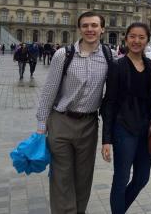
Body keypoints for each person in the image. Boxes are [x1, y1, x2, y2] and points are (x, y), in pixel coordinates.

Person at [36, 11, 112, 213]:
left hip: (89, 124)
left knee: (84, 176)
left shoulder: (107, 55)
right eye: (85, 25)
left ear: (102, 29)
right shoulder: (63, 54)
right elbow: (49, 91)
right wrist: (41, 124)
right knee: (61, 176)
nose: (90, 29)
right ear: (79, 28)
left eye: (94, 25)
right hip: (61, 121)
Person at [101, 23, 151, 213]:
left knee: (142, 178)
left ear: (147, 40)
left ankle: (119, 209)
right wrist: (106, 139)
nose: (136, 41)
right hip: (123, 128)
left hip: (145, 129)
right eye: (133, 36)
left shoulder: (150, 66)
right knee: (121, 178)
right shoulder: (117, 66)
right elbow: (109, 103)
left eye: (141, 37)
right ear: (126, 39)